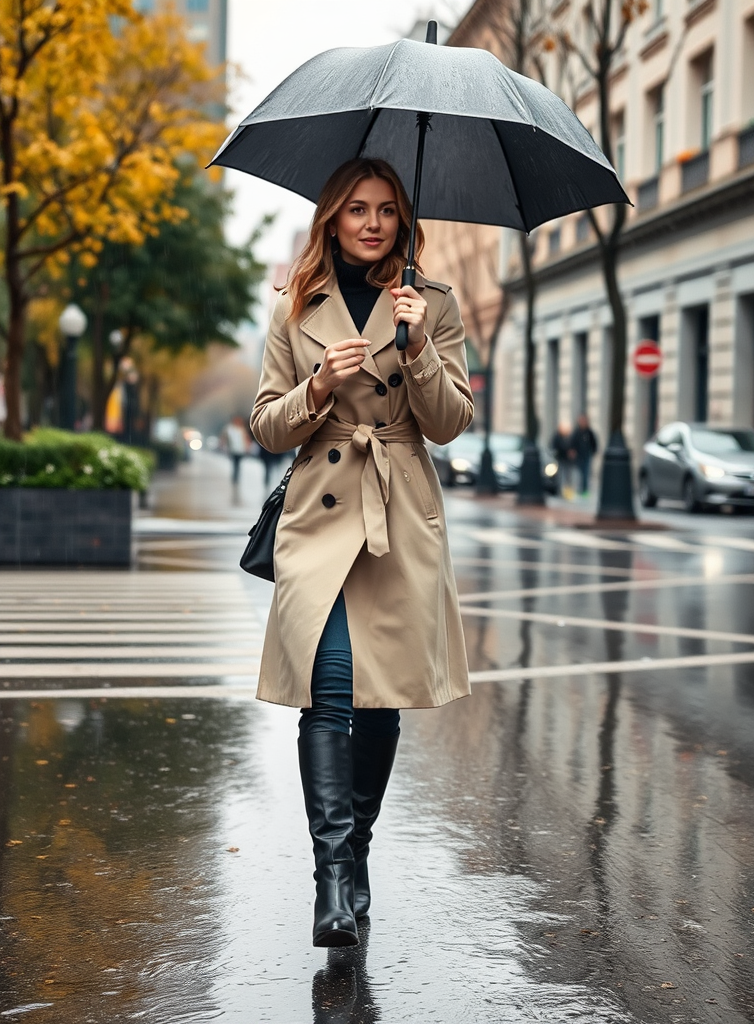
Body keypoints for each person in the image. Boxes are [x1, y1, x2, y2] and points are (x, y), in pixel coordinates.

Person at [251, 158, 473, 948]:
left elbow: (450, 424)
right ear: (332, 220)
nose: (372, 222)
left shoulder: (433, 304)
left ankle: (358, 848)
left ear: (403, 220)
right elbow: (267, 424)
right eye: (356, 209)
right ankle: (334, 879)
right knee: (331, 684)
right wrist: (316, 387)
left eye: (386, 209)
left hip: (399, 511)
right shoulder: (295, 307)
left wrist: (416, 349)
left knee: (376, 695)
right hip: (321, 512)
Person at [570, 413, 598, 495]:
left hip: (587, 456)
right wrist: (572, 451)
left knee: (586, 473)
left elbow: (594, 443)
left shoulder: (589, 432)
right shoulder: (576, 432)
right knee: (578, 474)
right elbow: (572, 443)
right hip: (578, 457)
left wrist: (593, 452)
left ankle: (585, 491)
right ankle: (578, 490)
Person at [551, 422, 575, 498]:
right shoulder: (557, 437)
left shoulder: (570, 437)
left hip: (568, 460)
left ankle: (568, 492)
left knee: (568, 476)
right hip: (560, 459)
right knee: (560, 476)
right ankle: (560, 491)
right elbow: (555, 447)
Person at [223, 415, 249, 484]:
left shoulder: (242, 429)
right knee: (234, 464)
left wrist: (246, 447)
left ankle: (237, 476)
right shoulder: (230, 429)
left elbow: (246, 439)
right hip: (233, 450)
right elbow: (225, 437)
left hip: (240, 450)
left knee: (238, 464)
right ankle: (234, 476)